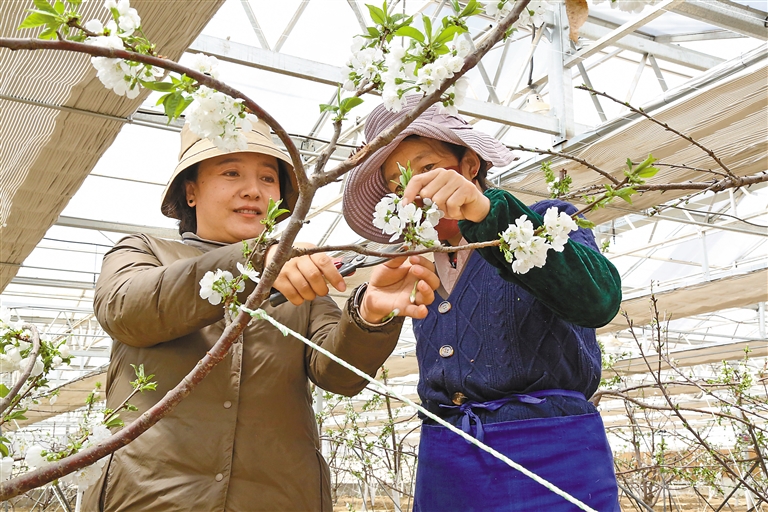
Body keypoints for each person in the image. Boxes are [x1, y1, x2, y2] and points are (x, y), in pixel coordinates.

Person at [83, 119, 439, 511]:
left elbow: (339, 375)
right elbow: (126, 310)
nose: (253, 190)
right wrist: (254, 261)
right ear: (190, 191)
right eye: (231, 173)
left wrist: (368, 314)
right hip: (149, 497)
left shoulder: (300, 278)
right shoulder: (144, 252)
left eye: (268, 178)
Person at [342, 95, 623, 511]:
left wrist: (488, 214)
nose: (414, 190)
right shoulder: (413, 262)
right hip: (448, 456)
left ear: (470, 165)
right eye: (397, 184)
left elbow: (600, 300)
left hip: (550, 447)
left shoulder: (545, 222)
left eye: (426, 168)